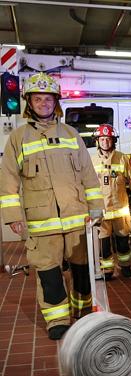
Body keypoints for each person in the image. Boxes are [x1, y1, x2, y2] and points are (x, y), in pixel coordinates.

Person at [0, 72, 104, 340]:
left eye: (48, 99)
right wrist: (12, 215)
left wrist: (96, 207)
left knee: (82, 269)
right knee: (48, 273)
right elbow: (8, 178)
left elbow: (88, 176)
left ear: (55, 102)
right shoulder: (18, 138)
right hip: (41, 222)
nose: (44, 103)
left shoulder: (71, 134)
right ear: (29, 102)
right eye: (38, 98)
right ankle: (57, 320)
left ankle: (83, 312)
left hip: (77, 219)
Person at [91, 123, 131, 280]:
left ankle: (126, 268)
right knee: (104, 246)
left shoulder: (122, 159)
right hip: (102, 212)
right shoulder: (92, 161)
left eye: (108, 139)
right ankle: (107, 272)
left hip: (121, 210)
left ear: (113, 140)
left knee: (123, 244)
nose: (105, 142)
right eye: (102, 139)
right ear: (97, 141)